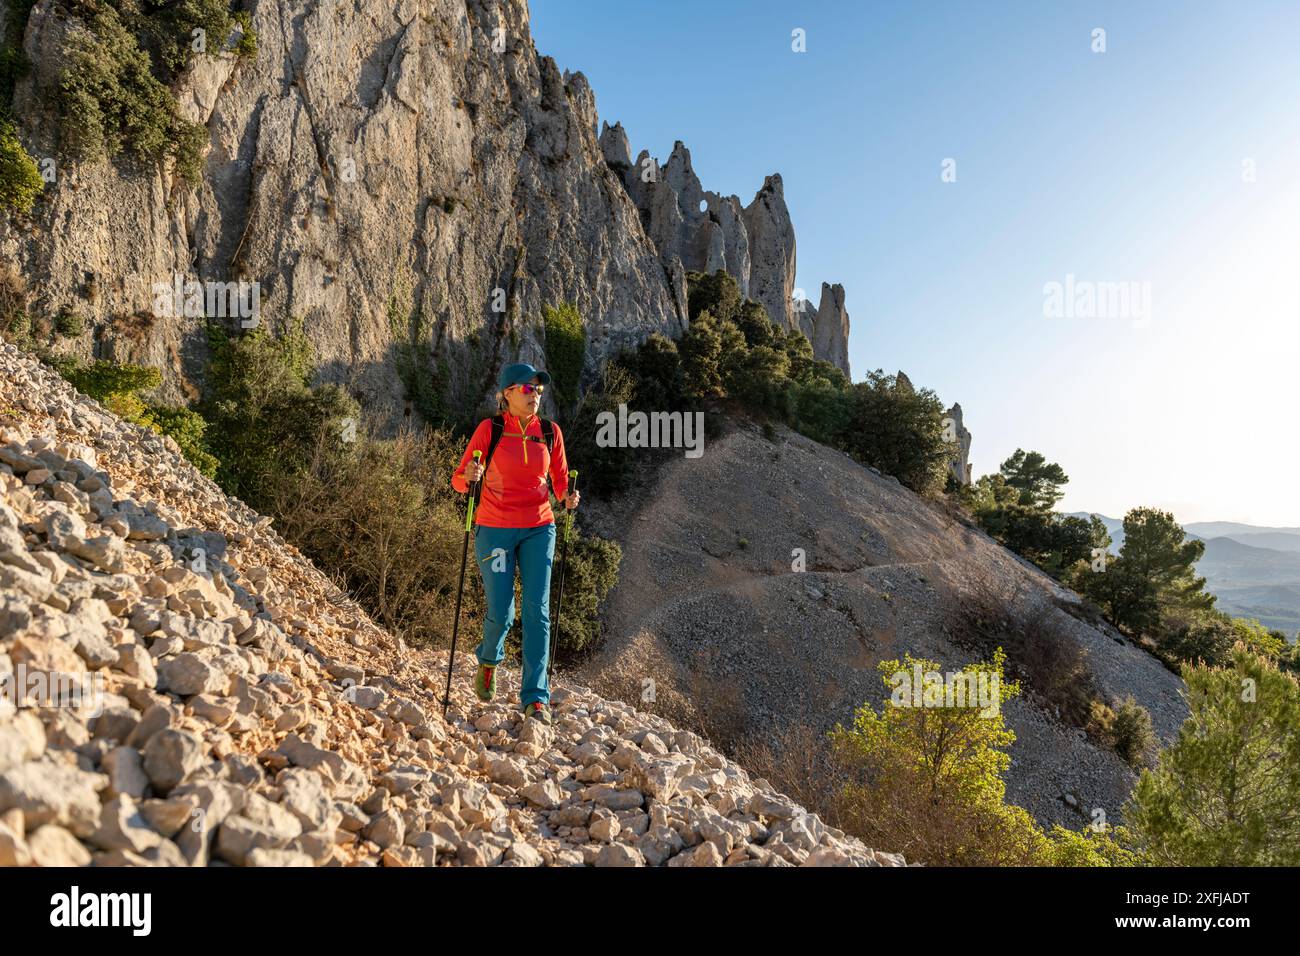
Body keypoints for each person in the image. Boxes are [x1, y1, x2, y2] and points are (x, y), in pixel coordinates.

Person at [450, 362, 579, 725]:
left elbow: (559, 483)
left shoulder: (550, 433)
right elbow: (459, 481)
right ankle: (489, 659)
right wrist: (469, 476)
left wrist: (568, 497)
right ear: (507, 393)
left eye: (539, 390)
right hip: (495, 529)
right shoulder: (489, 430)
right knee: (503, 611)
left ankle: (536, 698)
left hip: (539, 527)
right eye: (527, 388)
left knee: (537, 611)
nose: (535, 395)